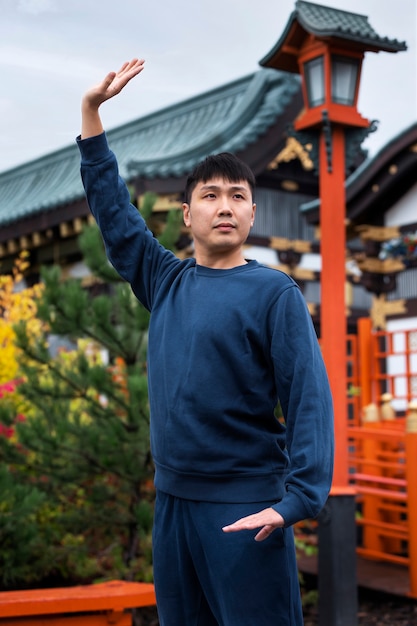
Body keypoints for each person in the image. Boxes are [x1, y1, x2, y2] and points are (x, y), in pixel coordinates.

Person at [77, 59, 334, 626]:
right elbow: (117, 218)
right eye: (211, 196)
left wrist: (297, 500)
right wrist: (92, 115)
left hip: (246, 504)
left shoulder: (274, 293)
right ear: (187, 213)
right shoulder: (165, 281)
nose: (225, 206)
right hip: (172, 504)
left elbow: (309, 399)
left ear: (251, 213)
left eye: (237, 196)